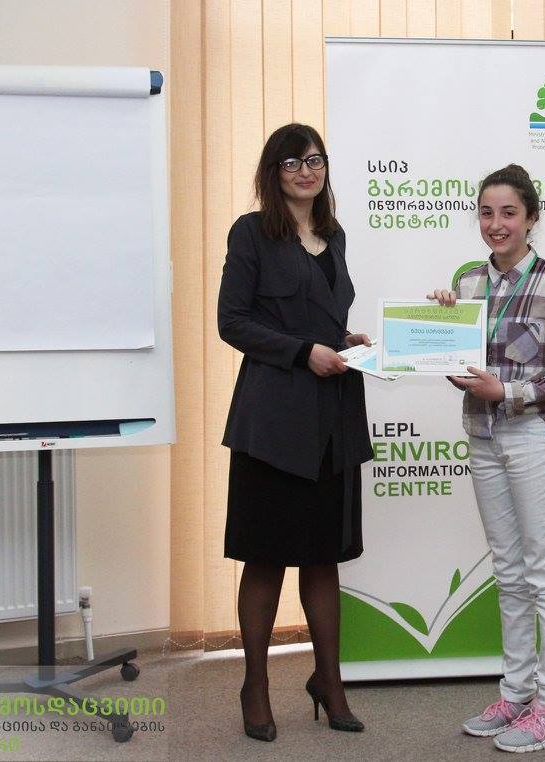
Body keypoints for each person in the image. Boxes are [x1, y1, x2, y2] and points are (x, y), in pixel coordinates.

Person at [217, 123, 372, 742]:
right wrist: (303, 351)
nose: (306, 171)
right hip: (273, 422)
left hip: (332, 417)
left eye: (315, 160)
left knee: (322, 557)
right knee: (265, 559)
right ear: (273, 171)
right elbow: (233, 321)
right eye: (292, 162)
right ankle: (254, 686)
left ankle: (328, 682)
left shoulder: (334, 236)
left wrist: (345, 341)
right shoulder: (252, 232)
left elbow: (322, 319)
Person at [428, 164, 545, 753]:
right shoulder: (468, 281)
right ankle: (518, 694)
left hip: (532, 436)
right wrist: (440, 334)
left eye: (508, 213)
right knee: (509, 571)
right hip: (483, 436)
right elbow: (459, 366)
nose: (496, 224)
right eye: (486, 213)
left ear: (531, 217)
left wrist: (510, 392)